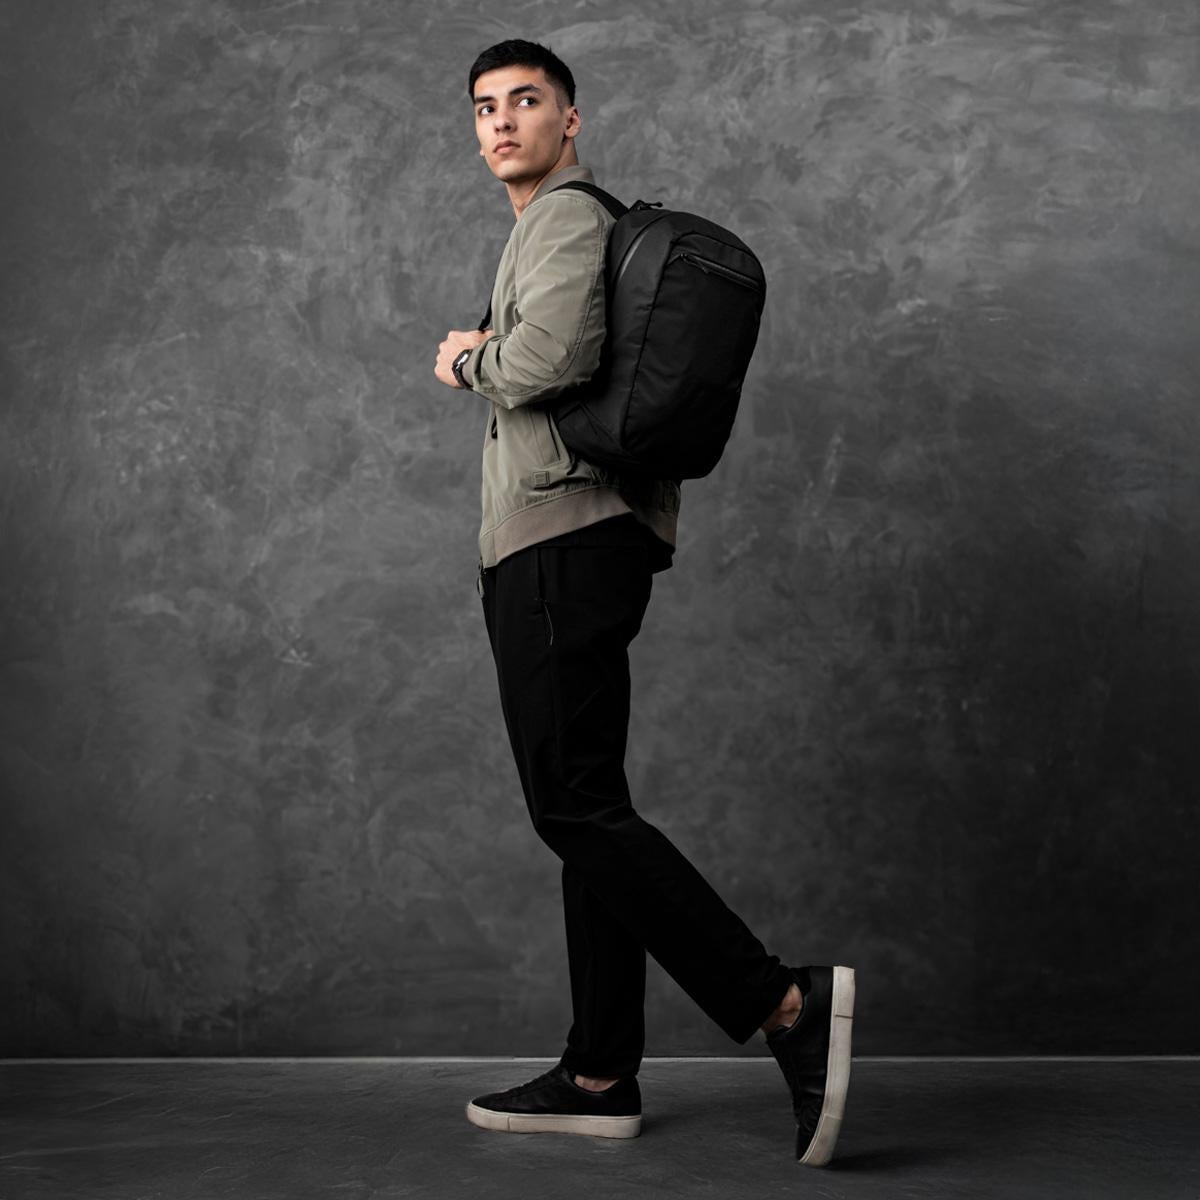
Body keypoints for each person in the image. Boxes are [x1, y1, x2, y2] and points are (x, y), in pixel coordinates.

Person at [433, 38, 855, 1167]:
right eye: (484, 106)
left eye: (526, 100)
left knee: (571, 806)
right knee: (593, 808)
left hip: (557, 543)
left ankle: (785, 1004)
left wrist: (469, 358)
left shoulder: (563, 217)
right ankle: (599, 1072)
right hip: (583, 542)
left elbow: (550, 361)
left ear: (570, 121)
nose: (501, 121)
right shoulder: (550, 222)